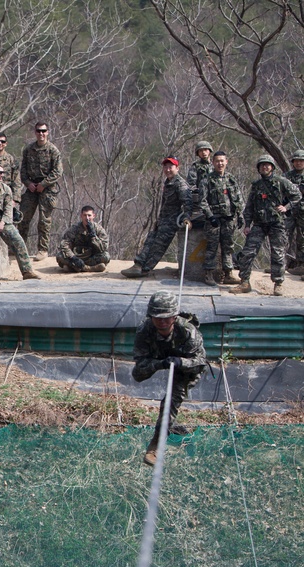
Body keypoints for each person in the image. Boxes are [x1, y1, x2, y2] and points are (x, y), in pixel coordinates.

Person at [132, 291, 206, 467]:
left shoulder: (188, 330)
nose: (162, 322)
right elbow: (140, 363)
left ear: (174, 316)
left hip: (185, 365)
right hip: (160, 358)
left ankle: (156, 444)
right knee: (137, 374)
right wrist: (160, 364)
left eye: (166, 317)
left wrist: (181, 362)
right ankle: (170, 428)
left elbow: (200, 362)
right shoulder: (145, 330)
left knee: (172, 398)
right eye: (157, 317)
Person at [230, 155, 302, 296]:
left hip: (277, 223)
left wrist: (287, 207)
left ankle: (278, 283)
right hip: (259, 224)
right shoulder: (256, 185)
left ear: (272, 167)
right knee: (248, 252)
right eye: (262, 165)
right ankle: (244, 282)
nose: (265, 167)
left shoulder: (281, 181)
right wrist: (247, 224)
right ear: (259, 168)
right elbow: (250, 206)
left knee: (278, 254)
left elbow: (297, 195)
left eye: (267, 165)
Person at [121, 157, 194, 278]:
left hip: (172, 221)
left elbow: (187, 203)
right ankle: (138, 264)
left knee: (158, 246)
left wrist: (186, 218)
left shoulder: (180, 184)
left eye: (171, 167)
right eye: (165, 167)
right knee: (150, 240)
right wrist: (158, 220)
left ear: (177, 168)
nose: (168, 169)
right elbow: (164, 204)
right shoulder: (168, 182)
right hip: (163, 220)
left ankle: (144, 269)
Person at [197, 151, 243, 286]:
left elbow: (238, 199)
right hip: (214, 220)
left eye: (222, 161)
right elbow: (202, 201)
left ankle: (228, 273)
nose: (220, 164)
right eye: (217, 161)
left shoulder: (231, 179)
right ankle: (208, 274)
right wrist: (210, 216)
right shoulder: (207, 180)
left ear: (226, 162)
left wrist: (239, 215)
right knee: (212, 246)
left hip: (229, 219)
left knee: (228, 246)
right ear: (213, 162)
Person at [18, 121, 63, 260]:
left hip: (47, 189)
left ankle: (42, 250)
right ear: (35, 132)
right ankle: (19, 248)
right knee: (23, 218)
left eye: (43, 131)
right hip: (31, 187)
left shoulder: (53, 150)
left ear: (47, 132)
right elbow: (23, 170)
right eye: (38, 131)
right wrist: (28, 183)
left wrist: (44, 183)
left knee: (44, 220)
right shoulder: (28, 149)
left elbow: (58, 171)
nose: (41, 134)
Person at [56, 206, 110, 273]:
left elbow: (103, 248)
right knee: (60, 256)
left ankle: (75, 268)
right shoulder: (74, 229)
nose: (87, 218)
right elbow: (64, 244)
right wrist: (73, 257)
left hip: (91, 257)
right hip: (76, 256)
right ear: (81, 216)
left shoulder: (99, 229)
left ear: (93, 216)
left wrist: (93, 237)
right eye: (85, 215)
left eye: (89, 215)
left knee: (106, 256)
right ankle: (89, 268)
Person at [285, 149, 304, 276]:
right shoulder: (286, 177)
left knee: (302, 238)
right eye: (296, 161)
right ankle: (280, 264)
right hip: (289, 212)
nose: (298, 163)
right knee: (284, 237)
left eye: (301, 161)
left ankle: (301, 265)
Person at [187, 140, 213, 221]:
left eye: (205, 150)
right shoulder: (195, 166)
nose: (203, 152)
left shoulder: (215, 165)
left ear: (209, 151)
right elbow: (191, 184)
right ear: (198, 153)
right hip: (201, 200)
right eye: (201, 150)